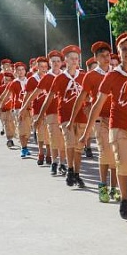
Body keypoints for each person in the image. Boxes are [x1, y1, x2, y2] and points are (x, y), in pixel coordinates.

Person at [81, 33, 127, 219]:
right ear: (119, 53)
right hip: (118, 126)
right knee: (122, 162)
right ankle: (124, 198)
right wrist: (86, 132)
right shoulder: (112, 76)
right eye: (124, 49)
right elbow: (98, 104)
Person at [73, 41, 118, 201]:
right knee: (105, 151)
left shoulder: (116, 73)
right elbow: (81, 97)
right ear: (96, 58)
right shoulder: (91, 76)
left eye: (108, 55)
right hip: (99, 119)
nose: (106, 59)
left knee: (115, 154)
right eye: (102, 56)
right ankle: (103, 186)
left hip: (115, 118)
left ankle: (114, 187)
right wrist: (73, 118)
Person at [39, 45, 87, 188]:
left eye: (76, 59)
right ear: (65, 60)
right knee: (70, 143)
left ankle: (76, 173)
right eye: (71, 58)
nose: (74, 61)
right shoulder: (60, 78)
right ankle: (70, 168)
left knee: (78, 147)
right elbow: (49, 98)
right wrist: (40, 115)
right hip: (65, 116)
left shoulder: (83, 76)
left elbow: (91, 95)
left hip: (81, 116)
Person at [29, 50, 68, 177]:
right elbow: (35, 92)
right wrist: (25, 107)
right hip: (51, 112)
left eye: (58, 61)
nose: (56, 63)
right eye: (53, 61)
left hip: (65, 112)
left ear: (62, 63)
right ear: (50, 63)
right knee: (54, 137)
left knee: (63, 140)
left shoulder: (66, 76)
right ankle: (55, 162)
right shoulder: (47, 77)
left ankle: (62, 163)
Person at [27, 56, 52, 166]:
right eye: (41, 66)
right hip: (37, 109)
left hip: (49, 109)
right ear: (37, 67)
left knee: (49, 133)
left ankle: (49, 154)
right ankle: (41, 153)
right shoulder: (32, 79)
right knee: (40, 132)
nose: (43, 68)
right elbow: (28, 95)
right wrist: (25, 108)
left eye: (45, 66)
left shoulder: (50, 77)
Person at [0, 70, 16, 148]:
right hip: (4, 109)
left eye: (8, 80)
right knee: (6, 124)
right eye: (5, 79)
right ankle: (9, 139)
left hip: (12, 109)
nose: (6, 81)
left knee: (12, 124)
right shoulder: (0, 88)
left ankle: (12, 135)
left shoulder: (14, 87)